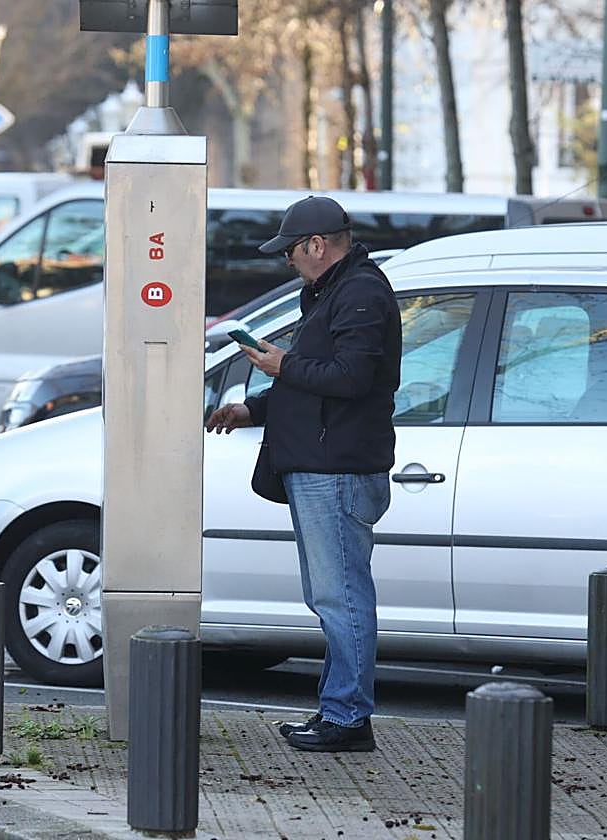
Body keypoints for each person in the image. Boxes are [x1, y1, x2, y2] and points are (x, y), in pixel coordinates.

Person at [205, 196, 401, 753]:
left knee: (340, 595)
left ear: (317, 245)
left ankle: (346, 717)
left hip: (335, 468)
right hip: (323, 463)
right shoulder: (332, 290)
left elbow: (351, 378)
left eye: (291, 251)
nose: (288, 262)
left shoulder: (360, 292)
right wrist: (254, 408)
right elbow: (319, 383)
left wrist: (280, 364)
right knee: (330, 594)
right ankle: (337, 710)